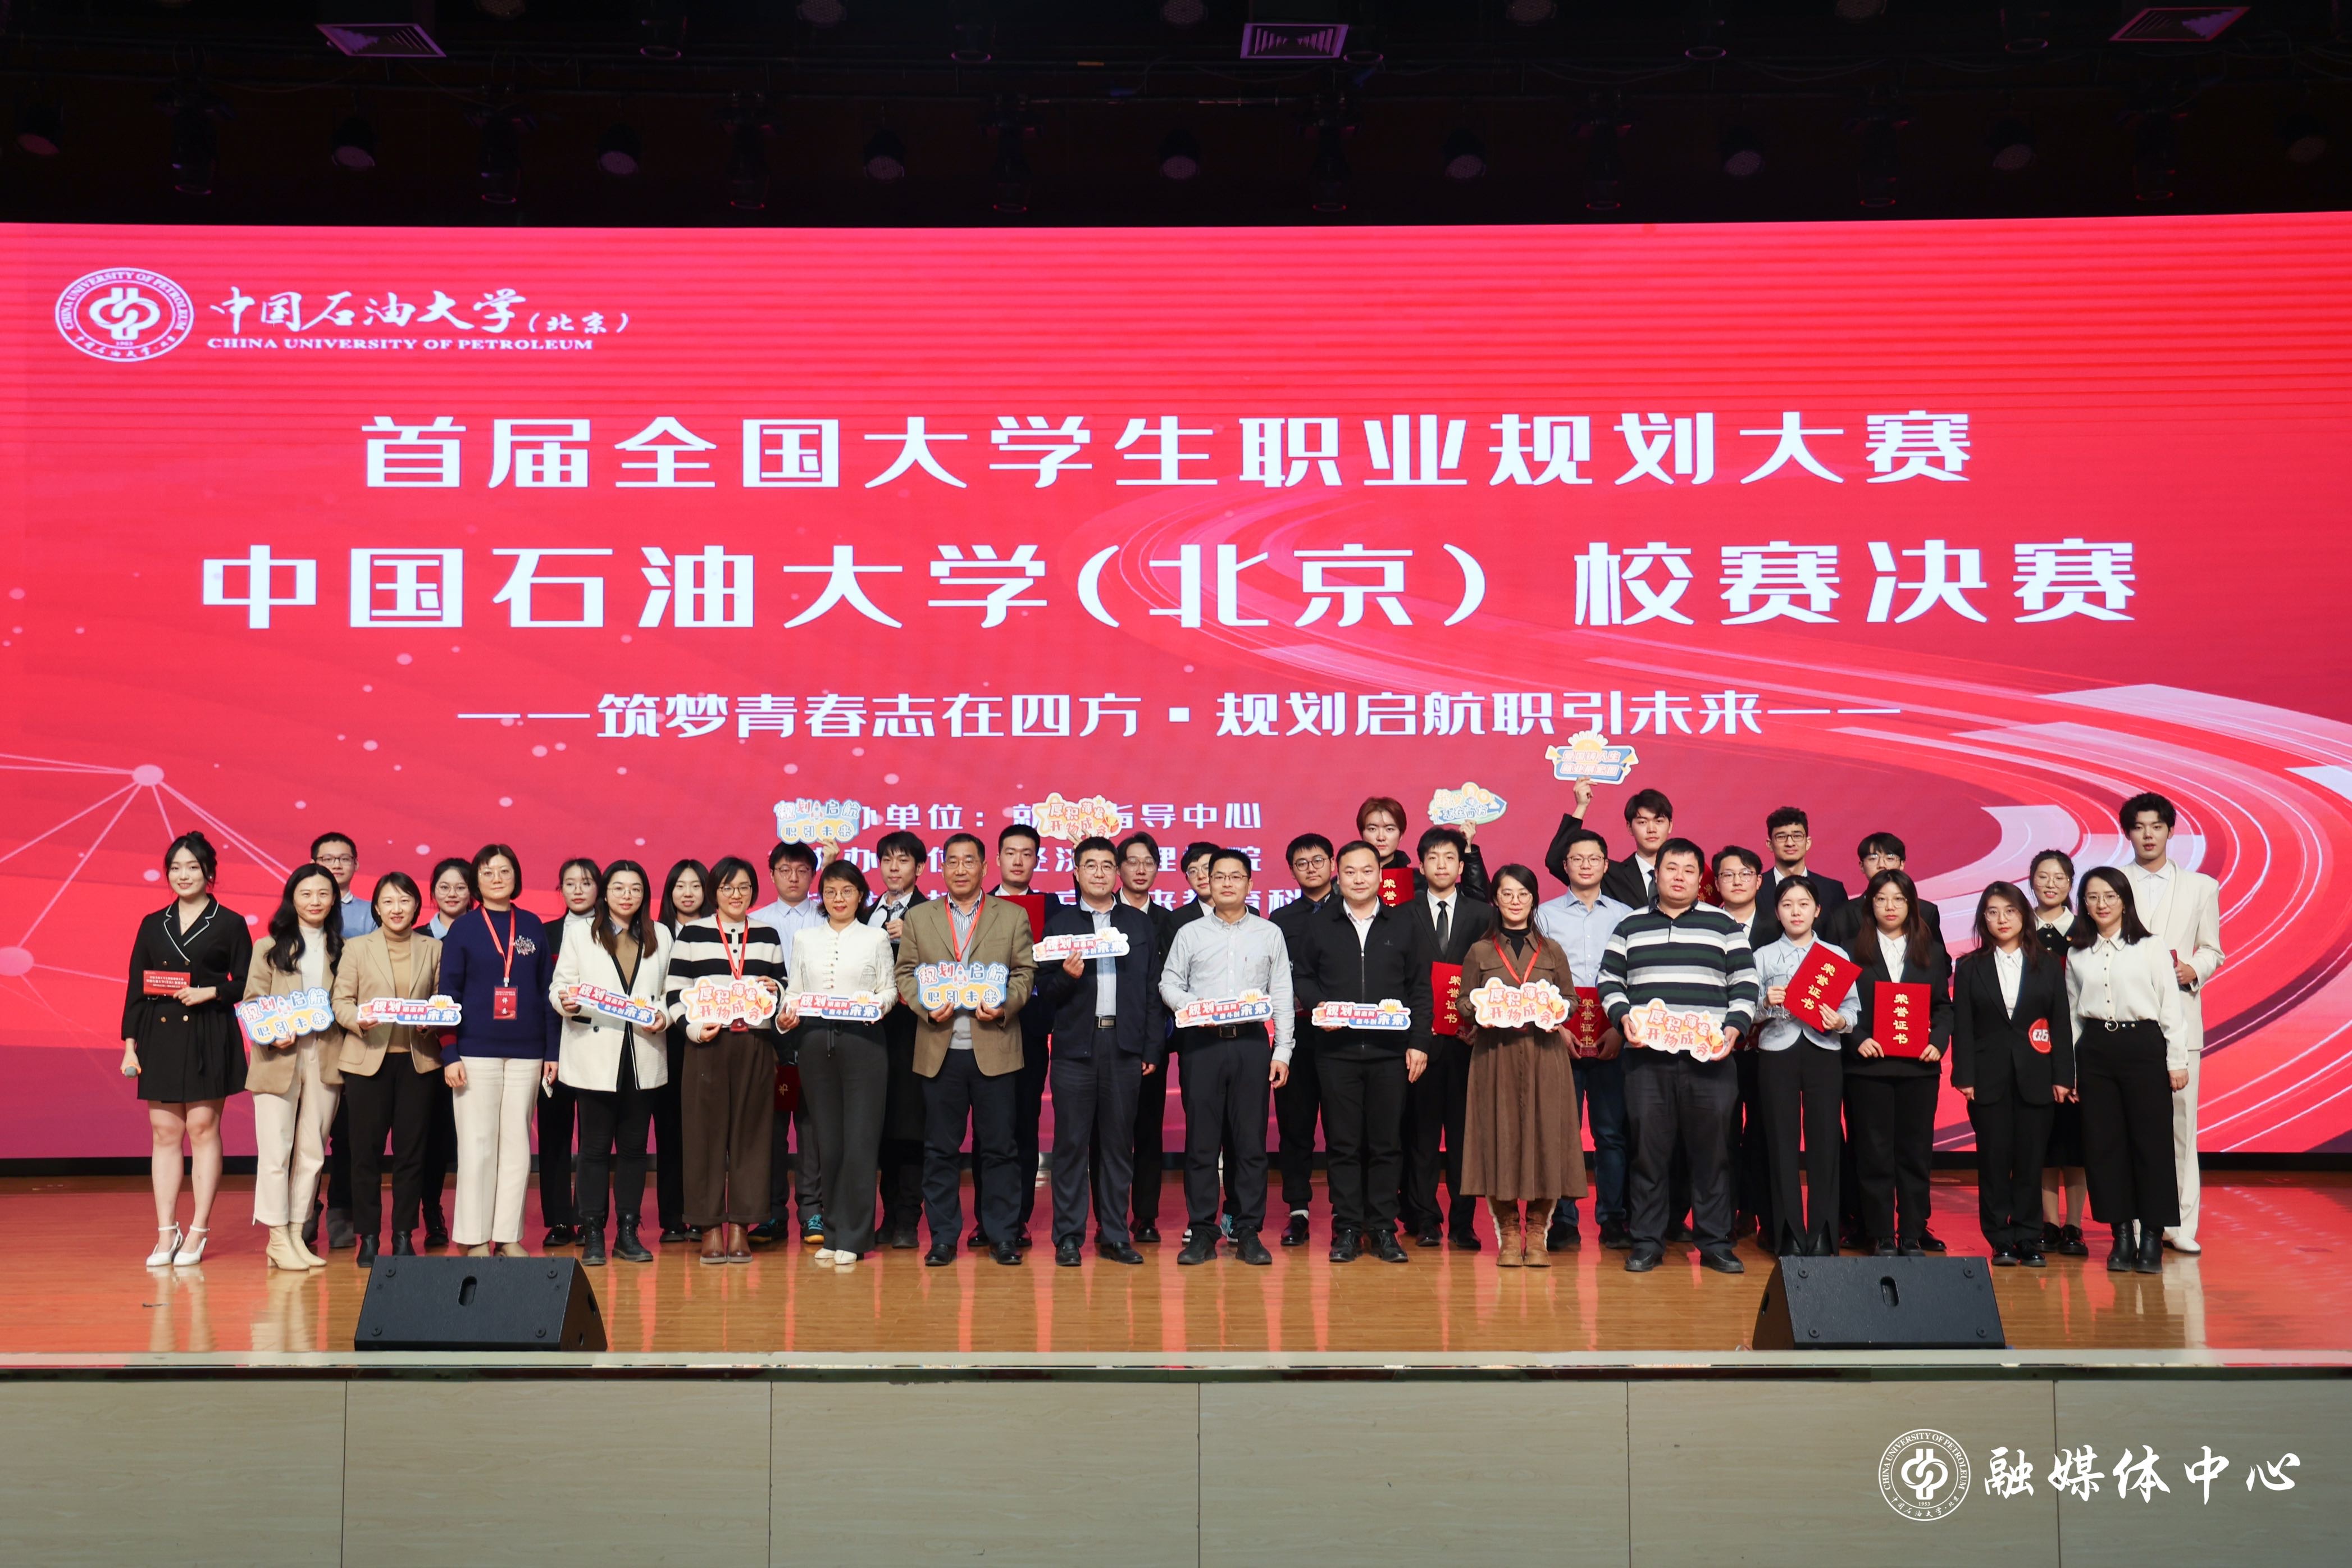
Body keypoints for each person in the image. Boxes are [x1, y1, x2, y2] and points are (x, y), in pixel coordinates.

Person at [1599, 837, 1756, 1275]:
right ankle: (1647, 1242)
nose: (1680, 877)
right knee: (1648, 1155)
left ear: (1700, 878)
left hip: (1711, 1062)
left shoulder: (1723, 925)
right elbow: (1609, 979)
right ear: (1657, 873)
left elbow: (1746, 983)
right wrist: (1623, 1018)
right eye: (1672, 868)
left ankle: (1715, 1243)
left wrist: (1734, 1027)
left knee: (1713, 1155)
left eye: (1690, 870)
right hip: (1647, 1062)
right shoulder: (1630, 925)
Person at [895, 832, 1037, 1265]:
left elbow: (1025, 973)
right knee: (940, 1150)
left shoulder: (1011, 915)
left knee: (1000, 1149)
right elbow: (905, 973)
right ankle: (943, 1238)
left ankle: (1003, 1235)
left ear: (984, 868)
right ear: (942, 869)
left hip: (995, 1048)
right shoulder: (920, 917)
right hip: (939, 1051)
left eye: (969, 861)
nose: (960, 870)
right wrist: (924, 1006)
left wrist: (1004, 1004)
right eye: (952, 862)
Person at [1291, 840, 1434, 1265]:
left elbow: (1420, 988)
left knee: (1387, 1144)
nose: (1358, 879)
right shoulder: (1320, 924)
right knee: (1344, 1144)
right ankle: (1349, 1227)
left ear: (1380, 875)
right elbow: (1303, 976)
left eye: (1367, 871)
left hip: (1390, 1052)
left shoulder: (1404, 923)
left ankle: (1384, 1228)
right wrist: (1319, 1006)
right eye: (1350, 871)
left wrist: (1419, 1043)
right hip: (1336, 1052)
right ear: (1338, 874)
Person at [120, 831, 250, 1268]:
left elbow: (248, 983)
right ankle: (166, 1232)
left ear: (209, 872)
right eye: (175, 867)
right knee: (163, 1133)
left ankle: (199, 1230)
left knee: (202, 1129)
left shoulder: (230, 922)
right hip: (159, 1035)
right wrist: (130, 1046)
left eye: (192, 867)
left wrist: (210, 992)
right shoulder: (152, 923)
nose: (183, 875)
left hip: (208, 1031)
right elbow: (136, 988)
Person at [1160, 847, 1295, 1265]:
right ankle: (1202, 1231)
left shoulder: (1269, 933)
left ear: (1250, 884)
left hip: (1251, 1044)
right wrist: (1195, 1008)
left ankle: (1248, 1230)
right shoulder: (1190, 933)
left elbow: (1283, 994)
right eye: (1219, 877)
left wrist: (1283, 1050)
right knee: (1202, 1143)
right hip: (1202, 1045)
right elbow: (1168, 983)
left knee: (1250, 1142)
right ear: (1208, 883)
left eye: (1236, 876)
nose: (1227, 883)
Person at [1034, 836, 1164, 1266]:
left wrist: (1151, 1046)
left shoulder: (1138, 924)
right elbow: (1044, 991)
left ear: (1118, 873)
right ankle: (1069, 1237)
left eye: (1108, 865)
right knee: (1071, 1145)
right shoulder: (1060, 924)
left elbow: (1151, 990)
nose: (1100, 873)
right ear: (1076, 872)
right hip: (1075, 1047)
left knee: (1117, 1145)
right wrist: (1066, 977)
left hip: (1124, 1046)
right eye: (1090, 865)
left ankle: (1114, 1234)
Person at [1822, 831, 1949, 1254]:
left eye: (1898, 899)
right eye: (1881, 900)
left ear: (1912, 905)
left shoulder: (1931, 952)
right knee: (1872, 1154)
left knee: (1914, 1154)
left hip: (1919, 1068)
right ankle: (1879, 1234)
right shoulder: (1847, 951)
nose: (1890, 907)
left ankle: (1912, 1232)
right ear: (1869, 905)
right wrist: (1856, 1037)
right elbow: (1831, 1008)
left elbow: (1944, 1007)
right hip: (1868, 1068)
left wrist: (1938, 1041)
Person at [1455, 864, 1586, 1268]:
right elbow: (1463, 1001)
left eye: (1523, 894)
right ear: (1495, 899)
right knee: (1500, 1140)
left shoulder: (1552, 951)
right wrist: (1482, 1011)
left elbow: (1571, 1000)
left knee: (1547, 1140)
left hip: (1545, 1056)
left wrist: (1556, 1011)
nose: (1515, 901)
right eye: (1507, 894)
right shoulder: (1480, 951)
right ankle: (1509, 1232)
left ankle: (1538, 1232)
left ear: (1534, 899)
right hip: (1495, 1058)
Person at [666, 856, 787, 1265]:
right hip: (707, 1046)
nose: (737, 895)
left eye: (744, 888)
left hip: (755, 1044)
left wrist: (776, 990)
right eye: (727, 888)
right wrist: (693, 1029)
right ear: (714, 892)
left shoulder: (767, 934)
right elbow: (673, 993)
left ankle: (741, 1227)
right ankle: (709, 1227)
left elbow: (782, 986)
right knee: (703, 1137)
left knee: (753, 1136)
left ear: (754, 892)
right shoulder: (692, 935)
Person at [2070, 865, 2190, 1275]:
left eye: (2110, 896)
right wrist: (2071, 1070)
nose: (2101, 904)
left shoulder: (2150, 946)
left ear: (2124, 901)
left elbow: (2170, 1006)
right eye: (2092, 897)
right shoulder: (2077, 952)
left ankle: (2152, 1237)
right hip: (2095, 1051)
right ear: (2084, 904)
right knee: (2104, 1147)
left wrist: (2177, 1060)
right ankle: (2122, 1236)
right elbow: (2072, 1014)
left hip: (2143, 1047)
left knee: (2151, 1145)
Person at [438, 843, 557, 1259]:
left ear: (516, 877)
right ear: (477, 880)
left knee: (517, 1146)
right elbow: (447, 994)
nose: (496, 879)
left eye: (505, 871)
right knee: (478, 1145)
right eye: (487, 872)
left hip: (527, 1052)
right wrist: (450, 1053)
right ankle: (473, 1238)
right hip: (475, 1051)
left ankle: (507, 1236)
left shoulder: (532, 926)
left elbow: (547, 993)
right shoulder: (464, 928)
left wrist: (552, 1052)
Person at [552, 859, 673, 1266]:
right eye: (619, 888)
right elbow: (560, 986)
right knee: (594, 1148)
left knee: (635, 1149)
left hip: (643, 1052)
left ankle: (627, 1231)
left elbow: (669, 992)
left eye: (636, 889)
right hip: (595, 1053)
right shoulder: (580, 933)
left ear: (645, 895)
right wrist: (566, 1002)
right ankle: (592, 1232)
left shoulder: (661, 934)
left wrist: (664, 1016)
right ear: (605, 893)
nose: (627, 895)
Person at [2118, 791, 2223, 1255]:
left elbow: (2212, 948)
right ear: (2128, 833)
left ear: (2171, 831)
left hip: (2181, 1019)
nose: (2148, 835)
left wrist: (2193, 969)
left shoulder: (2202, 887)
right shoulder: (2112, 883)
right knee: (2129, 1126)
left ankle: (2179, 1224)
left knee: (2182, 1127)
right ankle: (2134, 1220)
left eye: (2156, 827)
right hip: (2126, 1020)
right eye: (2139, 827)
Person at [1950, 882, 2075, 1268]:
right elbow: (1963, 1026)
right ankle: (2000, 1238)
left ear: (2024, 916)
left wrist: (2063, 1076)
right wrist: (1964, 1076)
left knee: (2030, 1161)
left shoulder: (2048, 964)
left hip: (2037, 1077)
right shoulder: (1969, 967)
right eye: (1992, 912)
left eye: (2010, 911)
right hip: (1987, 1079)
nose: (2002, 919)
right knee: (1993, 1161)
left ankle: (2028, 1236)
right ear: (1982, 919)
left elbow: (2060, 1021)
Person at [782, 859, 898, 1269]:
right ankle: (832, 1232)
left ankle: (855, 1235)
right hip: (816, 1043)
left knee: (861, 1143)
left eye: (847, 891)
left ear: (860, 895)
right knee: (827, 1144)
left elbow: (889, 990)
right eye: (830, 892)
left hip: (864, 1044)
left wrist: (875, 1007)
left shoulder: (875, 938)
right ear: (822, 897)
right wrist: (786, 1015)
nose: (839, 899)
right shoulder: (806, 939)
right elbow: (794, 992)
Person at [330, 871, 444, 1267]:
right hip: (367, 1061)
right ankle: (369, 1237)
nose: (397, 909)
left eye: (405, 901)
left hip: (418, 1061)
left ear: (417, 906)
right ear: (376, 908)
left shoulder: (433, 948)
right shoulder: (357, 948)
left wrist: (433, 1021)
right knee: (365, 1154)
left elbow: (441, 999)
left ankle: (402, 1235)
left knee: (412, 1154)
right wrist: (357, 1020)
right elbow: (340, 1000)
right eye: (389, 902)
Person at [241, 862, 347, 1271]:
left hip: (326, 1056)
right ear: (292, 899)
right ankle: (276, 1237)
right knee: (275, 1151)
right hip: (279, 1058)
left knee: (313, 1152)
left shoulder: (343, 949)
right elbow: (252, 1002)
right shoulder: (268, 947)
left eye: (323, 894)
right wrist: (272, 1032)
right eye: (306, 894)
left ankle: (297, 1232)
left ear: (334, 899)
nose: (314, 901)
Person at [1534, 828, 1634, 1252]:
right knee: (1563, 1132)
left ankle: (1613, 1219)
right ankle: (1564, 1221)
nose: (1587, 865)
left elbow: (1635, 975)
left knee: (1611, 1133)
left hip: (1613, 1033)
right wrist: (1556, 1028)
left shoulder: (1627, 916)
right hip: (1561, 1033)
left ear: (1606, 865)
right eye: (1578, 859)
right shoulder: (1545, 915)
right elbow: (1535, 976)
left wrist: (1621, 1029)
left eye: (1595, 858)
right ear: (1566, 866)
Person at [1397, 825, 1494, 1250]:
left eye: (1450, 858)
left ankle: (1463, 1223)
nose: (1441, 865)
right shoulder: (1402, 913)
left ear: (1460, 866)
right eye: (1433, 857)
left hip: (1467, 1042)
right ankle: (1425, 1219)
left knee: (1463, 1140)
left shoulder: (1482, 914)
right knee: (1420, 1138)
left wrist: (1482, 1023)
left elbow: (1493, 975)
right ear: (1421, 865)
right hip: (1419, 1042)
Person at [1748, 878, 1850, 1257]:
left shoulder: (1834, 955)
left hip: (1824, 1049)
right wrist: (1765, 1003)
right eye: (1787, 905)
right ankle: (1788, 1231)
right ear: (1777, 912)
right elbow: (1747, 1012)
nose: (1796, 911)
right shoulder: (1763, 956)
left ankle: (1823, 1231)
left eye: (1804, 904)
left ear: (1817, 910)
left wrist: (1841, 1021)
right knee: (1780, 1142)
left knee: (1825, 1141)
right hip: (1777, 1051)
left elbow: (1852, 1009)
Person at [753, 840, 828, 1247]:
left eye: (802, 870)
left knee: (813, 1130)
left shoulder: (828, 916)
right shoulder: (755, 921)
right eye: (785, 870)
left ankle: (813, 1212)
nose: (794, 878)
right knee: (770, 1131)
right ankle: (771, 1213)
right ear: (772, 875)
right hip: (769, 1039)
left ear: (813, 875)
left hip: (816, 1034)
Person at [1267, 832, 1337, 1247]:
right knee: (1296, 1129)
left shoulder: (1353, 911)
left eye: (1318, 860)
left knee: (1345, 1129)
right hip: (1297, 1035)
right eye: (1301, 863)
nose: (1311, 869)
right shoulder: (1281, 920)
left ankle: (1348, 1213)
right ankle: (1298, 1210)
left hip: (1345, 1036)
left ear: (1332, 864)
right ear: (1292, 870)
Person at [306, 831, 372, 1256]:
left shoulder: (371, 913)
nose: (335, 865)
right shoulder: (301, 910)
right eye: (326, 859)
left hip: (355, 1036)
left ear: (355, 865)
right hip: (309, 1039)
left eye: (343, 858)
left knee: (349, 1134)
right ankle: (304, 1211)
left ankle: (343, 1212)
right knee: (308, 1131)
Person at [991, 822, 1054, 1251]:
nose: (1018, 860)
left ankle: (1019, 1219)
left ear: (1037, 860)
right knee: (991, 1130)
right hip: (986, 1028)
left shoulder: (1052, 907)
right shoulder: (977, 905)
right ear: (997, 859)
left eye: (1026, 853)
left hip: (1030, 1030)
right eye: (1010, 852)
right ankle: (988, 1219)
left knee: (1025, 1126)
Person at [866, 831, 929, 1248]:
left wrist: (916, 936)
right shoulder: (865, 913)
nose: (893, 868)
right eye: (887, 860)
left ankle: (907, 1217)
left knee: (910, 1127)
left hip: (916, 1033)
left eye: (903, 860)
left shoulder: (932, 914)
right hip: (871, 1036)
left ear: (919, 867)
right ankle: (887, 1217)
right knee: (881, 1128)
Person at [1116, 830, 1180, 1242]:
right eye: (1132, 862)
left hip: (1150, 1043)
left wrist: (1154, 1046)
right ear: (1118, 868)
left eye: (1149, 863)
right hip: (1106, 1044)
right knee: (1107, 1135)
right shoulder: (1098, 917)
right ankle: (1108, 1216)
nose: (1141, 870)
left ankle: (1146, 1216)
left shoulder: (1169, 922)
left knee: (1148, 1133)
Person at [1711, 845, 1775, 1246]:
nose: (1737, 881)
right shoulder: (1705, 926)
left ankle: (1762, 1213)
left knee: (1765, 1134)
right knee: (1722, 1136)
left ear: (1759, 881)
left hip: (1769, 1049)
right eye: (1728, 875)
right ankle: (1725, 1216)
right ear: (1716, 882)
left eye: (1745, 874)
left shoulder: (1779, 925)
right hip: (1718, 1050)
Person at [2029, 849, 2090, 1256]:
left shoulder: (2085, 931)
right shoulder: (2019, 926)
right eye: (2043, 876)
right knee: (2044, 1144)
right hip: (2033, 1049)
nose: (2051, 884)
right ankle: (2048, 1223)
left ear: (2071, 883)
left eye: (2060, 878)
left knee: (2076, 1145)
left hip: (2079, 1045)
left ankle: (2074, 1226)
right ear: (2031, 880)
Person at [537, 856, 601, 1249]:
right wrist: (549, 1050)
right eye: (570, 883)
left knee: (594, 1137)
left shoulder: (612, 932)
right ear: (559, 889)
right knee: (555, 1134)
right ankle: (560, 1220)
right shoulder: (544, 935)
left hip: (598, 1047)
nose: (578, 890)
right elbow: (541, 998)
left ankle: (590, 1217)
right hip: (554, 1047)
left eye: (587, 882)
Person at [416, 856, 476, 1247]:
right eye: (444, 887)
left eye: (460, 887)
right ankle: (432, 1212)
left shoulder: (484, 933)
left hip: (474, 1047)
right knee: (432, 1137)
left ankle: (475, 1217)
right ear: (433, 892)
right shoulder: (416, 936)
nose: (452, 894)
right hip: (428, 1054)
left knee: (470, 1139)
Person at [653, 858, 711, 1245]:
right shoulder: (654, 934)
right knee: (670, 1129)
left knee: (703, 1132)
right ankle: (673, 1217)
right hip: (664, 1041)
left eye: (695, 886)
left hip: (707, 1038)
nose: (688, 893)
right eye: (680, 886)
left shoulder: (717, 933)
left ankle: (702, 1215)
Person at [1544, 780, 1670, 906]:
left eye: (1659, 821)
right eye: (1642, 822)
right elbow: (1555, 861)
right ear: (1629, 827)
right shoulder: (1611, 875)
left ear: (1670, 826)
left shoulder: (1681, 873)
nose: (1651, 829)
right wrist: (1581, 807)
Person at [1358, 795, 1492, 901]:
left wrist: (1467, 849)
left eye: (1389, 829)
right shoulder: (1349, 880)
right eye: (1372, 829)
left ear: (1401, 834)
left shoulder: (1420, 880)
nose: (1381, 837)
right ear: (1362, 833)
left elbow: (1476, 902)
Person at [1760, 806, 1849, 927]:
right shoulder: (1754, 889)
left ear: (1808, 843)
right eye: (1781, 837)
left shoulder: (1833, 891)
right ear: (1770, 844)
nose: (1790, 843)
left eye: (1797, 836)